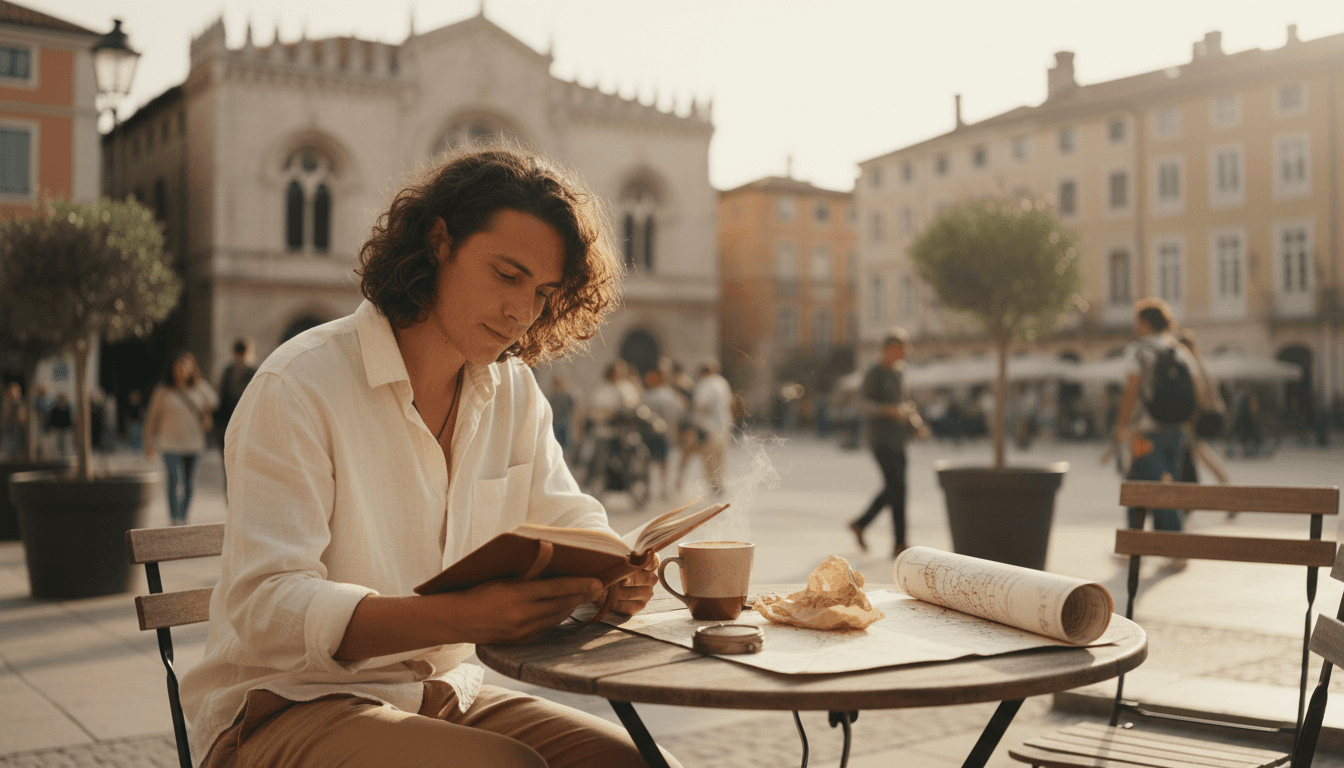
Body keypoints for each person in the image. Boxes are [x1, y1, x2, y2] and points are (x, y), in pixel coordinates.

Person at [178, 144, 678, 768]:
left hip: (439, 695)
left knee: (639, 765)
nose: (522, 313)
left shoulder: (513, 389)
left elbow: (567, 517)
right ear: (440, 242)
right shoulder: (299, 384)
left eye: (544, 292)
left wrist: (611, 575)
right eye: (506, 274)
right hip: (283, 707)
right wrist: (454, 618)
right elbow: (267, 609)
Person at [1111, 298, 1210, 549]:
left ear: (1144, 323)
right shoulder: (1180, 350)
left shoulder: (1139, 350)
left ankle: (1176, 546)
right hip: (1177, 431)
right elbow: (1198, 390)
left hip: (1145, 432)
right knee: (1140, 481)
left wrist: (1121, 424)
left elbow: (1131, 389)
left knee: (1160, 488)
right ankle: (1134, 541)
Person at [848, 328, 929, 558]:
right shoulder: (874, 372)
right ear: (888, 350)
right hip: (879, 438)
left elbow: (906, 403)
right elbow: (861, 403)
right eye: (900, 349)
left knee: (898, 487)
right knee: (896, 486)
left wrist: (916, 424)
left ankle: (863, 525)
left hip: (899, 437)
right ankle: (899, 542)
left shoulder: (900, 372)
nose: (903, 354)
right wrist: (886, 410)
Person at [144, 350, 218, 525]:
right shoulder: (163, 390)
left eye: (186, 366)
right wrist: (148, 443)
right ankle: (174, 518)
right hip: (168, 443)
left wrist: (205, 413)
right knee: (173, 480)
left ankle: (183, 518)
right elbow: (152, 418)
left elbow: (214, 402)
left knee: (188, 484)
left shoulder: (200, 387)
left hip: (193, 444)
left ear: (192, 369)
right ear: (172, 369)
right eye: (178, 367)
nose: (182, 370)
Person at [678, 360, 733, 497]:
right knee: (721, 457)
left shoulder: (705, 384)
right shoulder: (722, 382)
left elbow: (703, 406)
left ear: (702, 373)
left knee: (709, 458)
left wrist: (693, 416)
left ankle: (714, 484)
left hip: (708, 427)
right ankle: (720, 482)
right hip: (724, 426)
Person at [641, 368, 685, 498]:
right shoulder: (669, 395)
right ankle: (660, 488)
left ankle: (658, 488)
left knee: (657, 462)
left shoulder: (652, 395)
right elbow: (680, 412)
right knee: (660, 462)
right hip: (659, 433)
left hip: (657, 433)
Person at [215, 337, 258, 446]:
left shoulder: (253, 371)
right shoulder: (228, 371)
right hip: (228, 418)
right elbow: (222, 394)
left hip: (246, 419)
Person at [546, 374, 576, 457]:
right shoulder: (551, 398)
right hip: (555, 426)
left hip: (565, 427)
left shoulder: (567, 397)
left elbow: (574, 412)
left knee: (565, 451)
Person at [45, 392, 74, 459]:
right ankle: (59, 458)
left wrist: (71, 428)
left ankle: (65, 458)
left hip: (66, 429)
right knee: (58, 445)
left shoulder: (68, 408)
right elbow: (52, 419)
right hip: (58, 429)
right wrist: (51, 427)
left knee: (66, 445)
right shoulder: (55, 408)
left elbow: (70, 419)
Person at [0, 382, 25, 459]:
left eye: (16, 390)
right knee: (6, 449)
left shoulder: (20, 402)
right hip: (7, 428)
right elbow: (4, 415)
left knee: (15, 449)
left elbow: (22, 416)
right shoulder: (6, 401)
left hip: (16, 428)